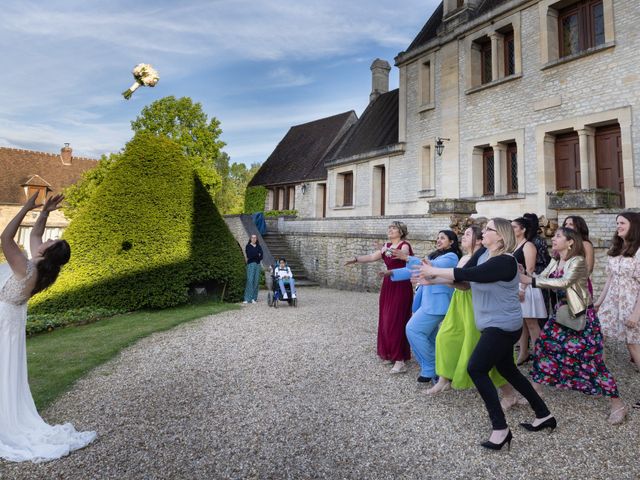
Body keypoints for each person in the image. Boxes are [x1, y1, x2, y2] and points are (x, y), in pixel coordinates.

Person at [419, 218, 553, 451]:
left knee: (477, 368)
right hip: (493, 324)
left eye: (489, 229)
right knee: (508, 370)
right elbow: (466, 283)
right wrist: (434, 280)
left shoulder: (505, 261)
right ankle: (543, 414)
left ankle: (500, 429)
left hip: (502, 326)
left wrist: (433, 269)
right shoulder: (485, 257)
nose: (484, 233)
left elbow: (466, 272)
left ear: (500, 236)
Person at [0, 193, 96, 462]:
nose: (46, 240)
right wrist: (44, 212)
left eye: (51, 241)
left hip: (3, 319)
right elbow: (36, 236)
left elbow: (6, 239)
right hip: (12, 320)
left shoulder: (26, 268)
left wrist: (25, 208)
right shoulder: (38, 268)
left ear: (48, 251)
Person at [520, 227, 627, 424]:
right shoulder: (555, 260)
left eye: (558, 236)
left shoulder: (577, 260)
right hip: (561, 314)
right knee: (543, 349)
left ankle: (617, 404)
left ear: (570, 242)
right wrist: (526, 278)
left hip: (580, 318)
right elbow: (542, 276)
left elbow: (564, 282)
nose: (553, 238)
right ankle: (536, 391)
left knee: (591, 361)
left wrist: (531, 281)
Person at [426, 226, 507, 394]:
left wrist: (435, 276)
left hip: (472, 302)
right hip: (458, 301)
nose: (463, 237)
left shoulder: (484, 258)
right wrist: (433, 279)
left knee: (474, 342)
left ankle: (504, 387)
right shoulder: (465, 258)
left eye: (468, 234)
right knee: (445, 336)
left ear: (478, 240)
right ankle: (444, 378)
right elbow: (456, 281)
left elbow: (464, 284)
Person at [388, 230, 460, 383]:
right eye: (437, 237)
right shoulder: (434, 255)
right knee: (431, 337)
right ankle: (440, 372)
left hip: (438, 303)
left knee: (413, 329)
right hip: (427, 301)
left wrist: (407, 257)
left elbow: (432, 267)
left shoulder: (451, 257)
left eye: (442, 238)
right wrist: (391, 273)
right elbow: (415, 269)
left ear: (452, 242)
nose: (438, 240)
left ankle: (430, 366)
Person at [345, 222, 413, 374]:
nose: (390, 230)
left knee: (397, 320)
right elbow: (371, 257)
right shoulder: (386, 246)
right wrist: (356, 259)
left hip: (400, 283)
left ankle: (400, 359)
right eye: (389, 228)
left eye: (394, 228)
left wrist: (384, 248)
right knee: (386, 318)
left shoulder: (404, 245)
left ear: (401, 232)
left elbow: (399, 255)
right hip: (388, 284)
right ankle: (389, 353)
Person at [596, 212, 640, 410]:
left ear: (634, 225)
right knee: (599, 336)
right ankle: (601, 382)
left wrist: (636, 314)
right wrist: (599, 301)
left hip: (633, 304)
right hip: (612, 304)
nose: (618, 226)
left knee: (633, 346)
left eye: (622, 223)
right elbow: (611, 279)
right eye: (617, 223)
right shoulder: (617, 248)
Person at [512, 217, 547, 365]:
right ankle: (524, 352)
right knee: (522, 322)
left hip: (527, 287)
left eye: (514, 227)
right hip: (517, 285)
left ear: (523, 229)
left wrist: (522, 289)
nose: (512, 229)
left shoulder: (528, 246)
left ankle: (540, 355)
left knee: (532, 322)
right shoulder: (515, 245)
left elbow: (530, 269)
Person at [243, 234, 263, 304]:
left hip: (257, 265)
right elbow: (249, 255)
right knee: (250, 280)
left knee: (256, 281)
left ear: (256, 239)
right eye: (252, 238)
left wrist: (255, 255)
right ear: (250, 239)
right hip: (251, 264)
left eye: (255, 238)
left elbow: (261, 256)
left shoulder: (259, 246)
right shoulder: (248, 246)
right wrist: (257, 254)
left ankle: (254, 298)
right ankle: (247, 298)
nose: (254, 239)